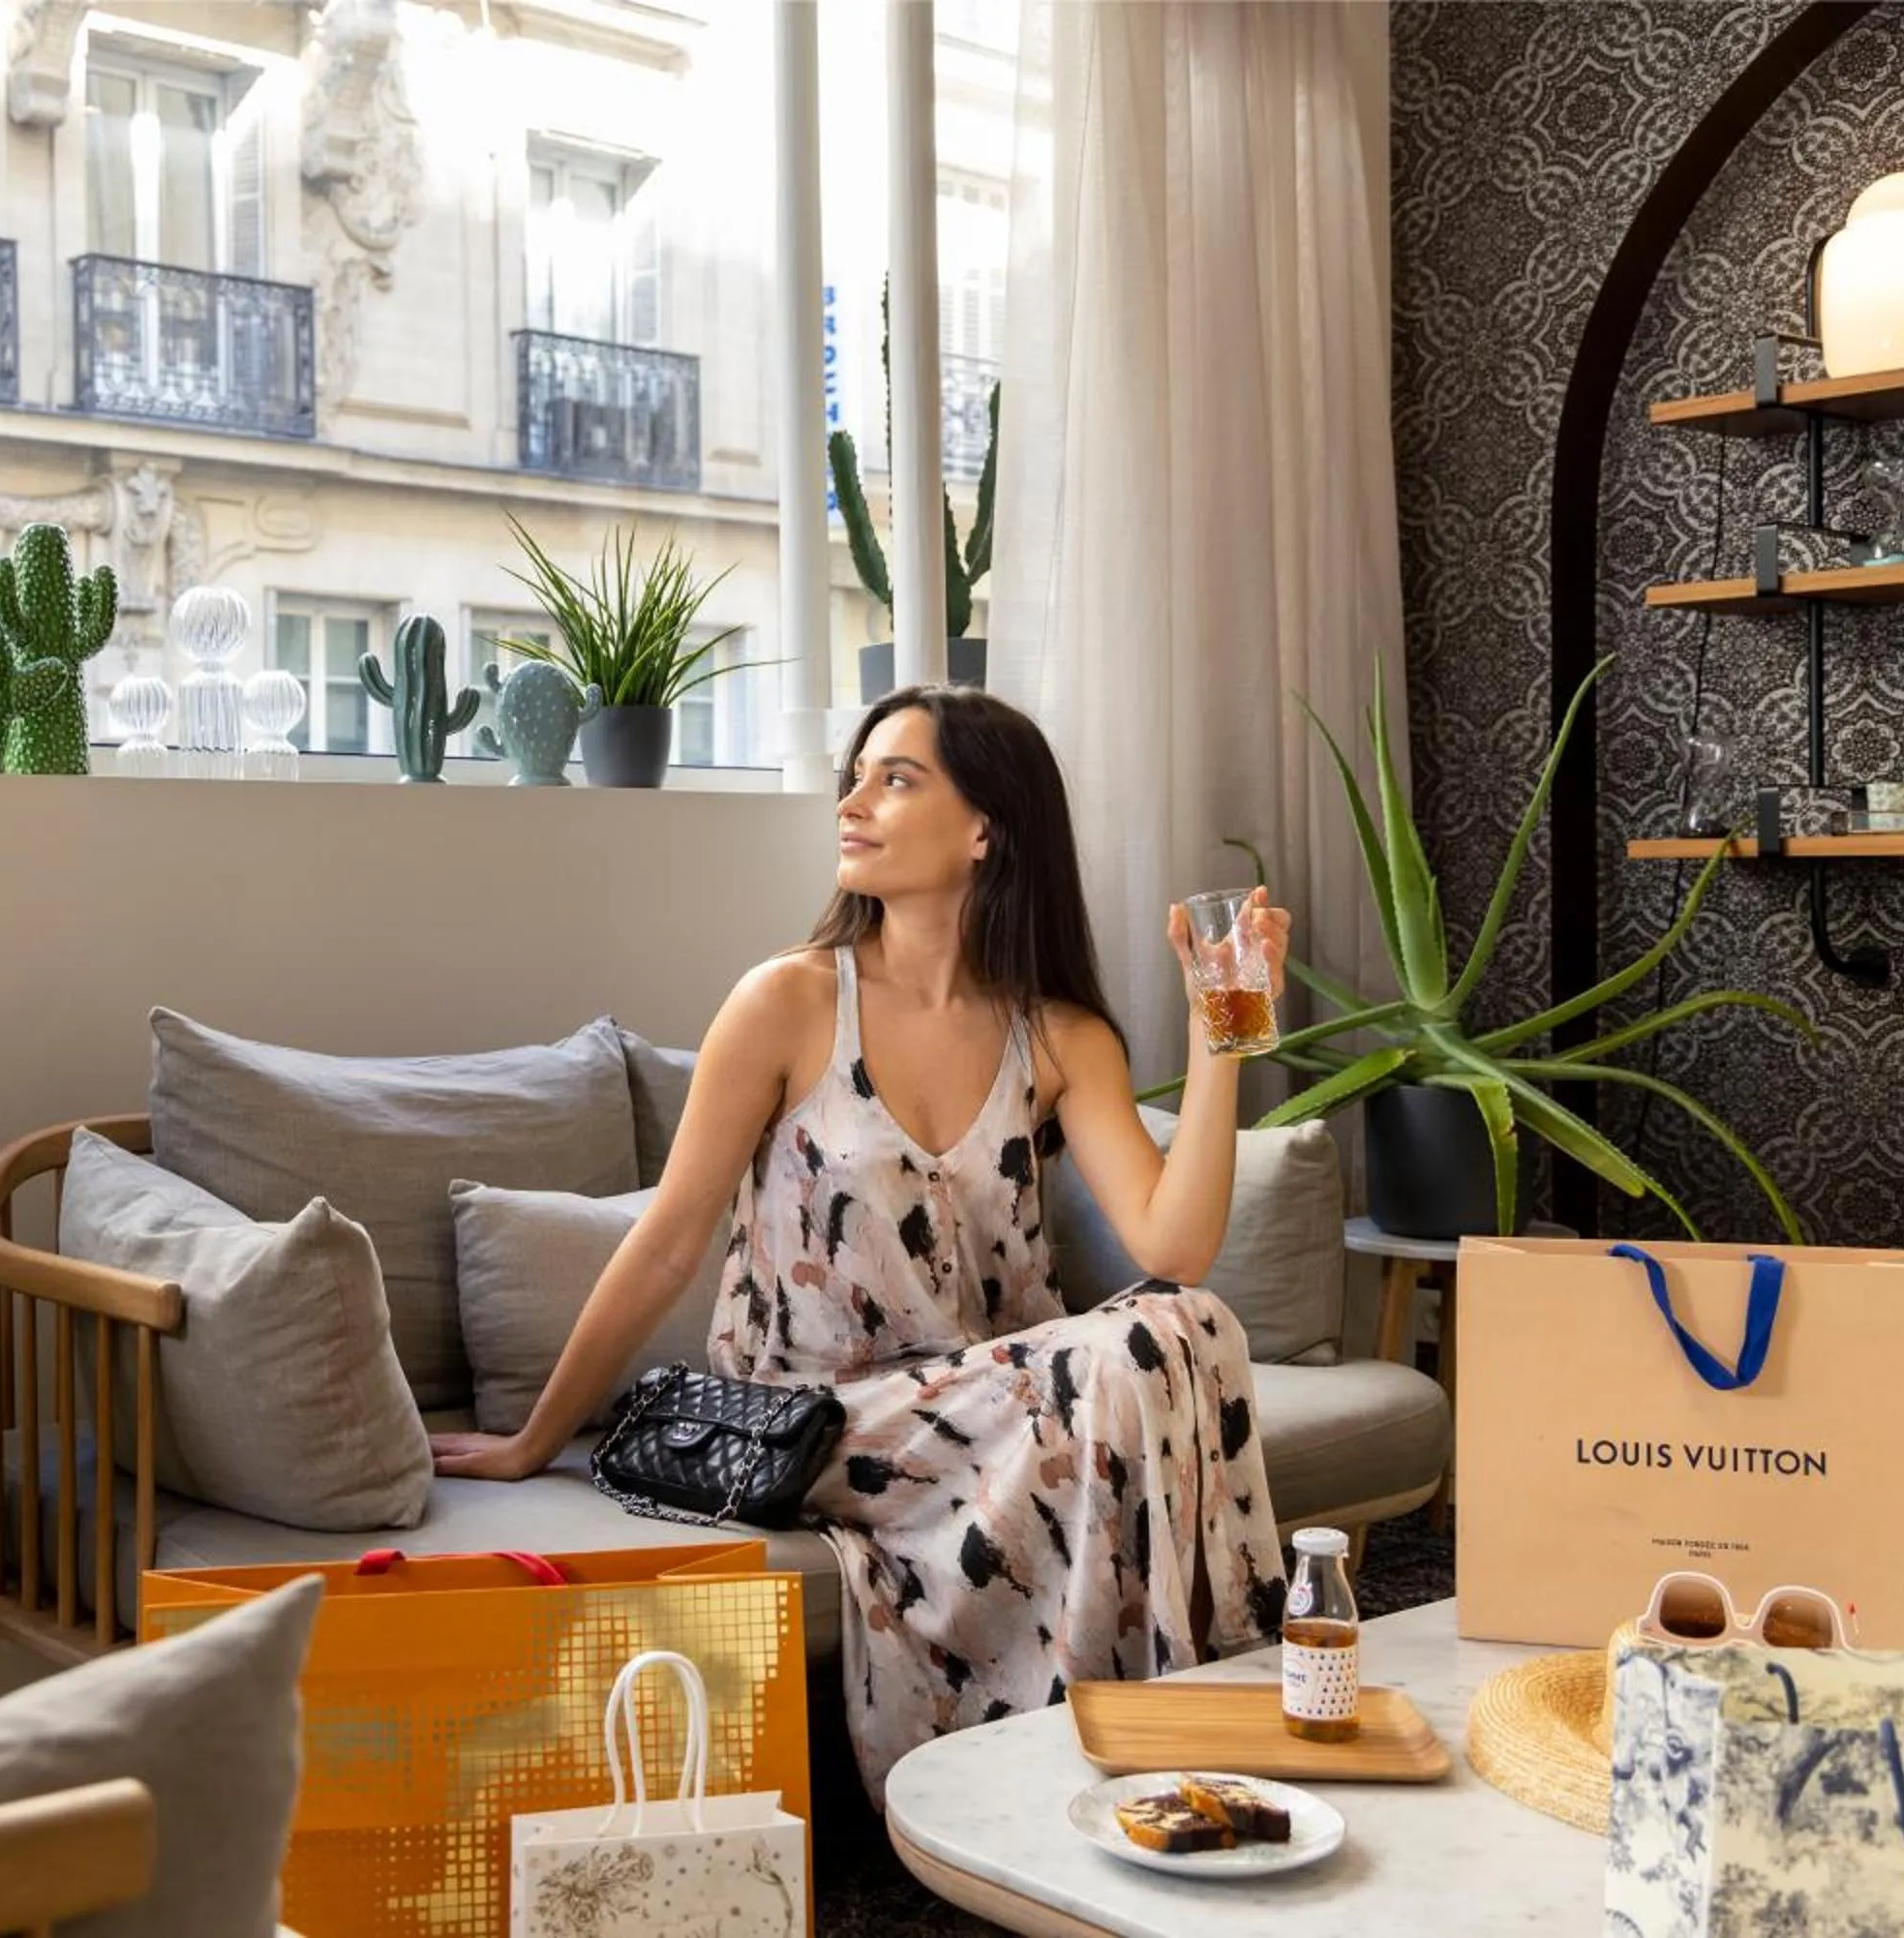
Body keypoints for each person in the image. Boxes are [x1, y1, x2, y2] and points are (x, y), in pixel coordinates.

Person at [432, 685, 1291, 1793]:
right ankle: (1134, 1755)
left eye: (897, 778)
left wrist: (1224, 1027)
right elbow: (665, 1244)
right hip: (817, 1421)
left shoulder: (1059, 1033)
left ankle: (1182, 1735)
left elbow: (1177, 1245)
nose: (853, 800)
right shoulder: (787, 1002)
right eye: (857, 774)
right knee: (1135, 1349)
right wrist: (531, 1437)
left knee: (1192, 1322)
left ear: (986, 828)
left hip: (997, 1413)